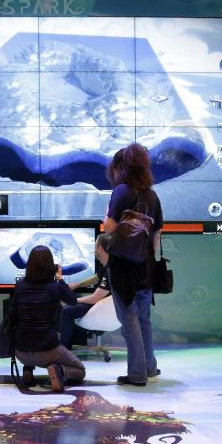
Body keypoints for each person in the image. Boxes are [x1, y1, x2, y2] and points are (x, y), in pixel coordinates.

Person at [103, 143, 163, 387]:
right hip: (145, 266)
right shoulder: (152, 194)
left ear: (121, 168)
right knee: (144, 319)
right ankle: (149, 367)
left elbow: (110, 227)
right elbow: (157, 234)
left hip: (122, 267)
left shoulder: (121, 191)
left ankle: (137, 374)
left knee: (129, 320)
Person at [14, 245, 86, 392]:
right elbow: (72, 300)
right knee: (80, 371)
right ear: (51, 265)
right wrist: (60, 279)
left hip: (20, 350)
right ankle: (57, 370)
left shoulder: (20, 285)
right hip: (48, 349)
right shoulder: (55, 287)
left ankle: (28, 369)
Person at [59, 243, 111, 349]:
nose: (94, 249)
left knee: (66, 311)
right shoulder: (107, 266)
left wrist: (72, 300)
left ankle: (64, 350)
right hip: (101, 304)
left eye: (95, 246)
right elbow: (95, 278)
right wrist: (77, 285)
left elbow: (94, 298)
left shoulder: (109, 270)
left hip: (102, 307)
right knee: (68, 308)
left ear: (100, 248)